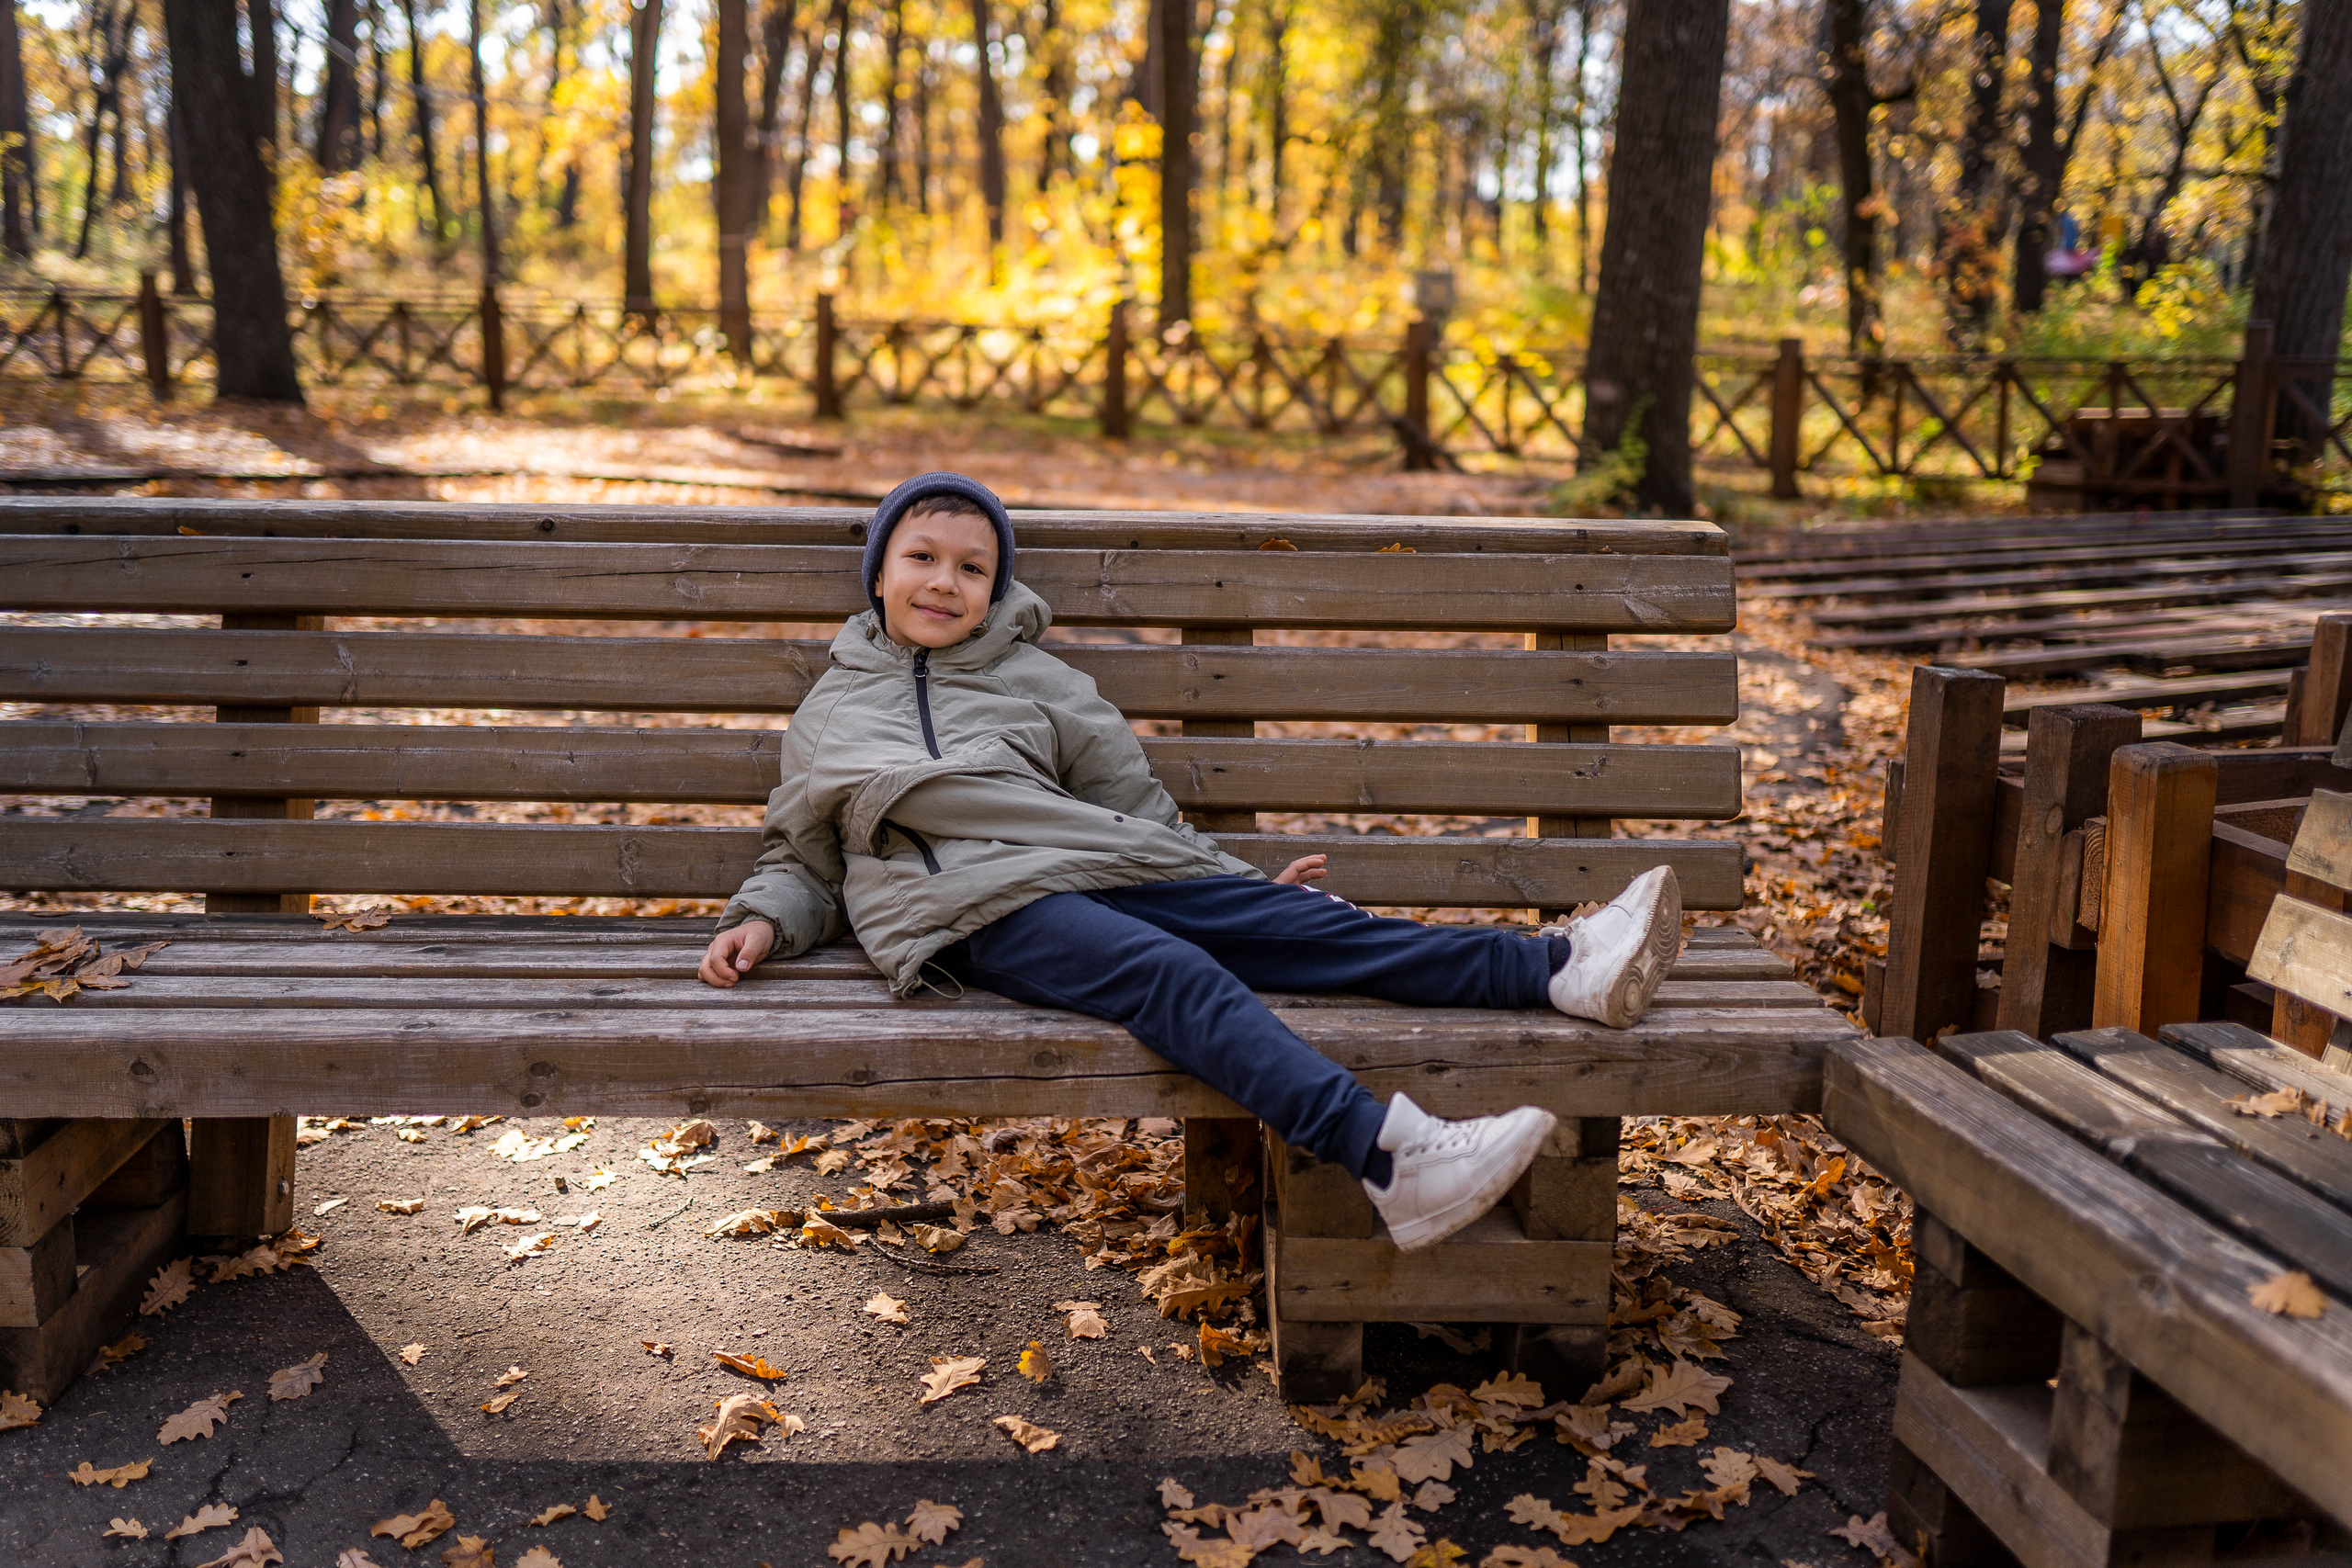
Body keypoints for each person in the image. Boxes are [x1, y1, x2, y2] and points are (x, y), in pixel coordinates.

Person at [697, 472, 1684, 1252]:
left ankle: (1559, 972)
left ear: (998, 589)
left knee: (1312, 929)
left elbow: (1136, 815)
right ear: (878, 572)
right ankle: (1386, 1158)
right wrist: (767, 919)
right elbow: (803, 849)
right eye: (921, 556)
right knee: (1166, 974)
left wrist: (1243, 889)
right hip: (971, 907)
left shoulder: (1045, 682)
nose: (943, 582)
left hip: (1102, 867)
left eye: (971, 567)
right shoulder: (833, 708)